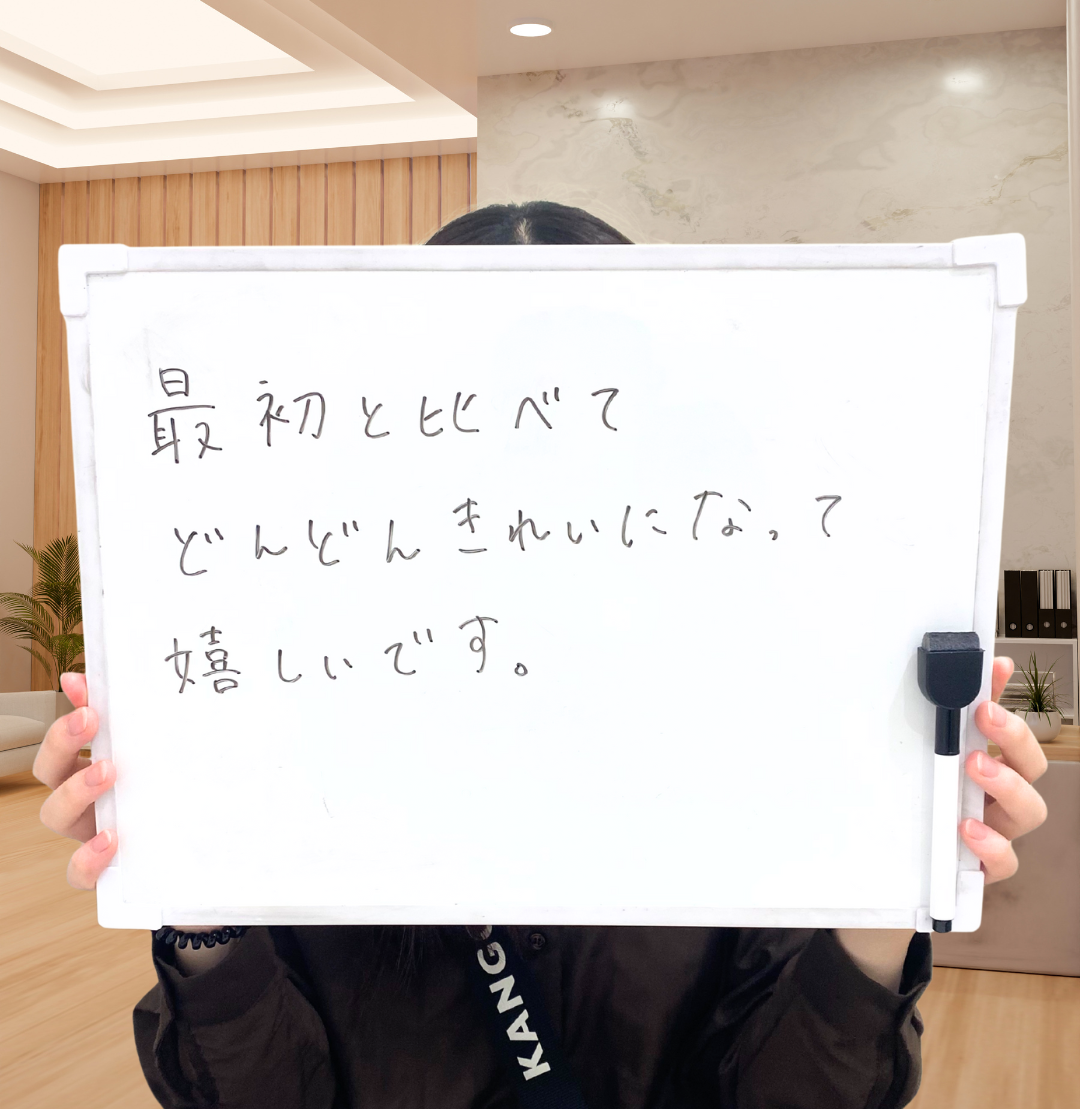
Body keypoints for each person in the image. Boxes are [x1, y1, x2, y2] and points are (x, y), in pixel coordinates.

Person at [35, 201, 1050, 1109]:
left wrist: (887, 883)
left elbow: (789, 1093)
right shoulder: (300, 709)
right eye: (507, 425)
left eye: (599, 418)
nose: (552, 488)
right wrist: (196, 889)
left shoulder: (756, 720)